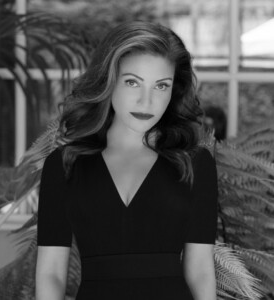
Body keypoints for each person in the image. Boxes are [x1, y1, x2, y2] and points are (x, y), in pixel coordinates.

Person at [35, 21, 218, 300]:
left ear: (174, 90)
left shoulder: (196, 163)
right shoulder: (63, 165)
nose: (147, 101)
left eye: (161, 86)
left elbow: (201, 271)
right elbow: (51, 274)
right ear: (108, 82)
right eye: (132, 82)